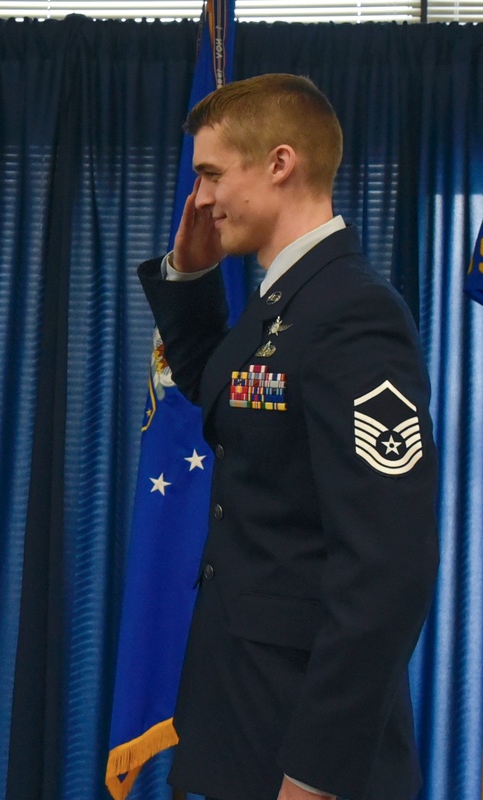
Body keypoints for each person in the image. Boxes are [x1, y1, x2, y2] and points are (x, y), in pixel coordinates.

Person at [138, 74, 439, 800]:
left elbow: (387, 573)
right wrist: (190, 276)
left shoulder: (354, 313)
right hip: (243, 727)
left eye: (211, 174)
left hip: (306, 753)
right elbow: (223, 397)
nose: (200, 199)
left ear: (279, 163)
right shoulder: (282, 306)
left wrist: (314, 776)